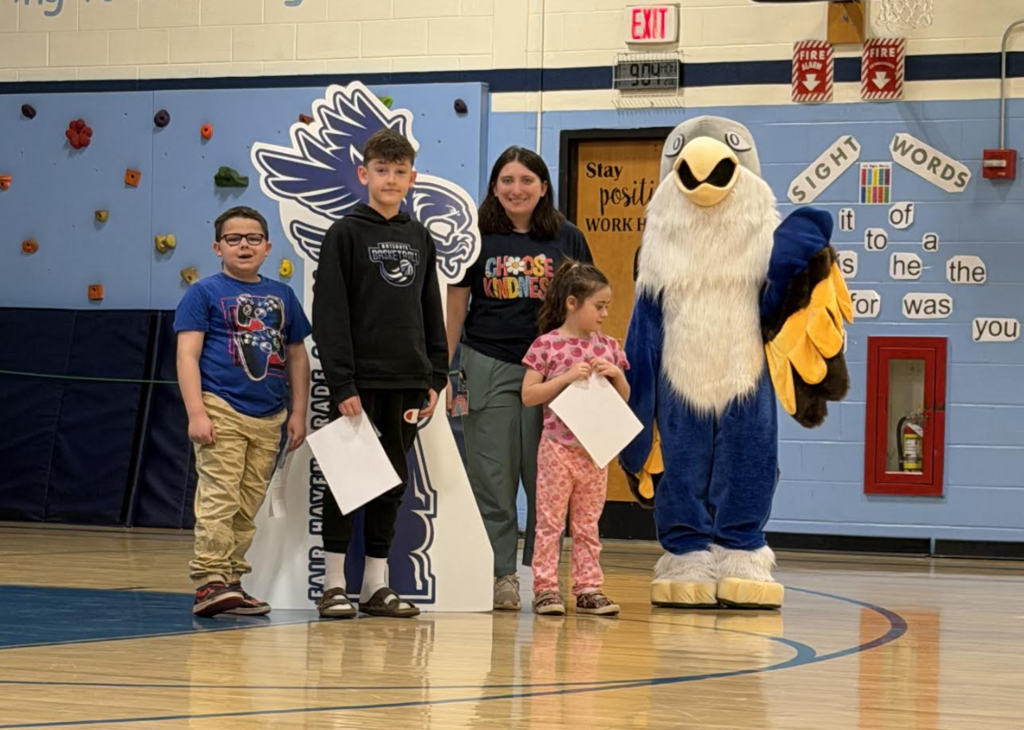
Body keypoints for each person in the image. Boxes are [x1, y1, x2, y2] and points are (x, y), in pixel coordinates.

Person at [446, 146, 593, 611]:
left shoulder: (567, 237)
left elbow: (588, 302)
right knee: (493, 476)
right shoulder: (476, 236)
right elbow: (456, 304)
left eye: (526, 180)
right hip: (487, 363)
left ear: (544, 186)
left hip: (555, 369)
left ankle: (545, 579)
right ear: (494, 187)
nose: (516, 189)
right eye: (506, 180)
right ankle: (501, 576)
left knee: (548, 481)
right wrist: (447, 368)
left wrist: (595, 360)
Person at [311, 128, 447, 620]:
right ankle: (331, 585)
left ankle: (374, 586)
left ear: (412, 178)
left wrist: (436, 374)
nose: (391, 179)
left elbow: (430, 307)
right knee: (347, 482)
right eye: (382, 170)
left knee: (391, 483)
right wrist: (343, 382)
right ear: (364, 174)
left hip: (409, 381)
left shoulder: (418, 236)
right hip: (359, 383)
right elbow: (329, 313)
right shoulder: (344, 233)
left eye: (400, 171)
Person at [175, 205, 311, 618]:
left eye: (253, 238)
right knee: (220, 495)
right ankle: (209, 581)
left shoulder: (282, 295)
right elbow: (187, 353)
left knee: (248, 501)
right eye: (234, 239)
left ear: (268, 247)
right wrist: (197, 411)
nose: (244, 245)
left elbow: (297, 356)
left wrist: (298, 412)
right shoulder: (204, 293)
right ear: (218, 247)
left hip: (268, 414)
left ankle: (232, 580)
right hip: (222, 407)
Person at [520, 260, 629, 616]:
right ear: (572, 303)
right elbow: (529, 395)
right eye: (598, 306)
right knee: (550, 522)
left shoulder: (609, 346)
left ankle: (588, 587)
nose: (604, 313)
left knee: (587, 524)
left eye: (606, 306)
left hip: (594, 450)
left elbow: (623, 398)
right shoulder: (546, 346)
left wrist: (616, 375)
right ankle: (546, 588)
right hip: (556, 447)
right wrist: (565, 378)